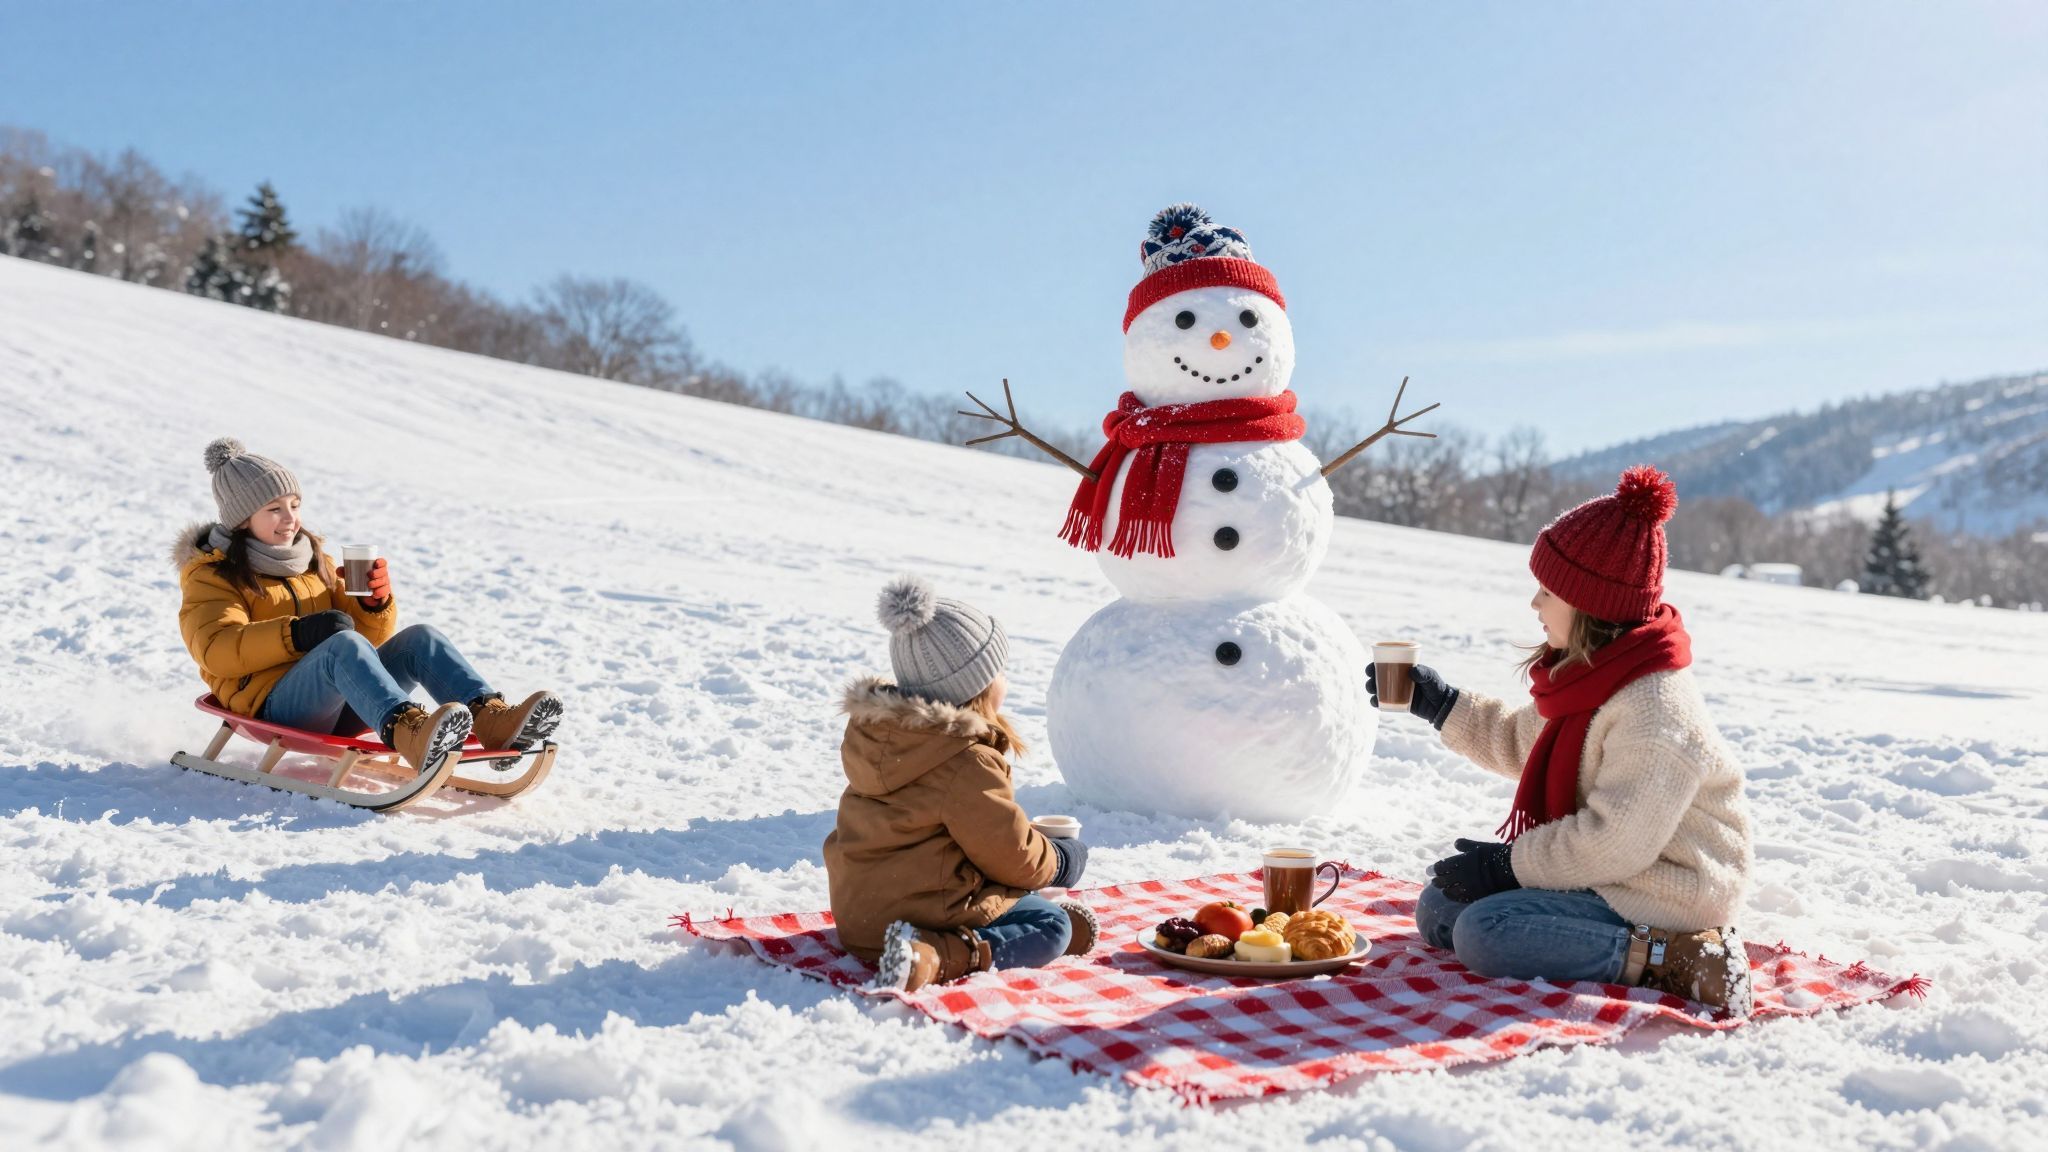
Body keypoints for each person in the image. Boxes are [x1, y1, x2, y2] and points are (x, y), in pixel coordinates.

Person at [1373, 466, 1755, 1013]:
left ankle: (1681, 959)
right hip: (1613, 872)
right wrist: (1441, 706)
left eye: (1548, 591)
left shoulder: (1654, 711)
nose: (1535, 605)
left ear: (1589, 604)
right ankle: (1606, 942)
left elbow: (1612, 843)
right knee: (1440, 909)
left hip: (1667, 889)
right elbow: (1523, 741)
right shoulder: (1595, 674)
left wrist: (1505, 867)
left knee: (1485, 933)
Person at [172, 437, 561, 778]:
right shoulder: (213, 574)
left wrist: (374, 605)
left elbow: (367, 640)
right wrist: (296, 635)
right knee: (341, 645)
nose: (290, 519)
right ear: (242, 520)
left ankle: (492, 718)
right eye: (274, 509)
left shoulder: (309, 558)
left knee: (418, 639)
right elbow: (216, 649)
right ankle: (410, 731)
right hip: (271, 707)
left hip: (343, 699)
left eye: (294, 504)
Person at [824, 576, 1096, 992]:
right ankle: (933, 957)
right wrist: (1060, 861)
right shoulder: (963, 759)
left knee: (1036, 910)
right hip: (916, 920)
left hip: (859, 917)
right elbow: (1010, 856)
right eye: (999, 670)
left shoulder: (883, 737)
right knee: (1051, 924)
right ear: (980, 687)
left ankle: (1001, 932)